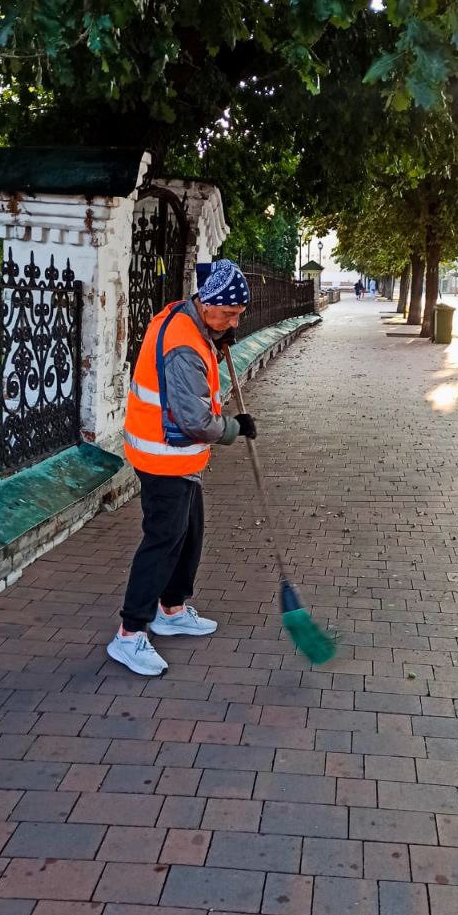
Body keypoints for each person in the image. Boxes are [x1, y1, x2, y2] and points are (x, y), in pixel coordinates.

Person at [107, 259, 257, 677]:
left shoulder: (191, 320)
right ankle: (129, 634)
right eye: (228, 313)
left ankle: (171, 609)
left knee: (189, 533)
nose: (234, 321)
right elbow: (195, 421)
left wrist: (218, 335)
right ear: (206, 305)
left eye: (238, 314)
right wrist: (234, 428)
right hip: (163, 457)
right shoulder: (183, 345)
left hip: (179, 457)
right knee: (163, 541)